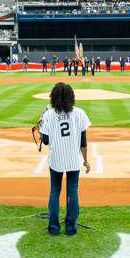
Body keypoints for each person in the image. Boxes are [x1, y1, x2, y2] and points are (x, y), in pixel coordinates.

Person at [35, 82, 91, 236]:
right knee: (72, 191)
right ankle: (71, 228)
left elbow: (45, 141)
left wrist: (40, 128)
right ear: (71, 97)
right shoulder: (80, 113)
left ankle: (53, 228)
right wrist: (86, 160)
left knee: (55, 191)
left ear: (53, 98)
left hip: (56, 159)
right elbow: (83, 142)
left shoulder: (49, 114)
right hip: (74, 159)